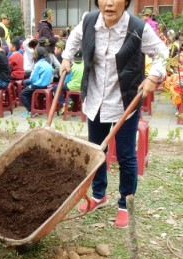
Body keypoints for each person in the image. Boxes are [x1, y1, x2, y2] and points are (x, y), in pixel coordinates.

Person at [60, 0, 168, 229]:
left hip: (125, 102)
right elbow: (74, 39)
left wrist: (153, 76)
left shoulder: (138, 28)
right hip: (96, 99)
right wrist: (67, 58)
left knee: (126, 156)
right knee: (97, 150)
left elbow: (162, 52)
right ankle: (99, 195)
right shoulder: (89, 21)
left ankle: (124, 204)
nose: (109, 3)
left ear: (126, 2)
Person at [19, 47, 53, 117]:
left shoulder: (38, 65)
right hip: (45, 84)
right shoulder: (47, 64)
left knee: (23, 94)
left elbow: (33, 79)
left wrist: (30, 81)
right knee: (26, 84)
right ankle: (31, 99)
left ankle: (31, 111)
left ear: (36, 55)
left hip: (38, 85)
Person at [54, 50, 84, 114]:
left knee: (56, 88)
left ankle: (65, 103)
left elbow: (66, 80)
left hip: (72, 87)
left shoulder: (72, 66)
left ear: (73, 58)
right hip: (82, 88)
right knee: (71, 91)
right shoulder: (85, 65)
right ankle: (72, 104)